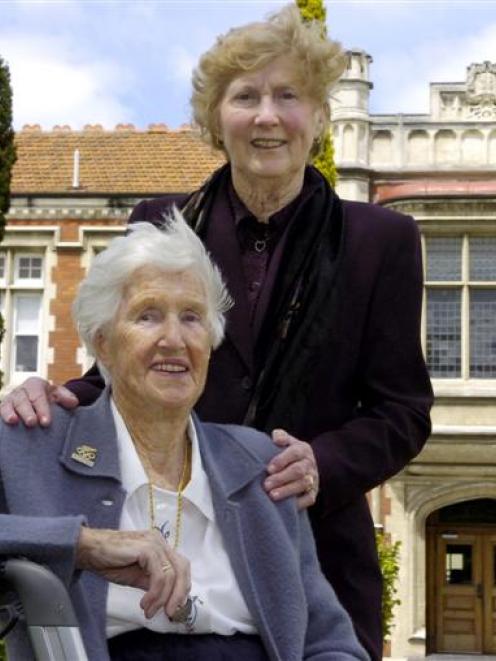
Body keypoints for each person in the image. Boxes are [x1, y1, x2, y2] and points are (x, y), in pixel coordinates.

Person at [0, 6, 433, 659]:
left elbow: (403, 408)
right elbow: (121, 361)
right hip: (152, 537)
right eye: (245, 97)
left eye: (289, 96)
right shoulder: (160, 222)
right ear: (216, 119)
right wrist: (43, 398)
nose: (267, 115)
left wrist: (323, 462)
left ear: (318, 116)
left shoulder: (382, 239)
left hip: (305, 545)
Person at [0, 215, 369, 661]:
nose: (174, 340)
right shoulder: (33, 443)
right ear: (102, 342)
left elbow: (330, 641)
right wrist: (84, 545)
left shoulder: (261, 464)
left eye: (192, 318)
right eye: (148, 316)